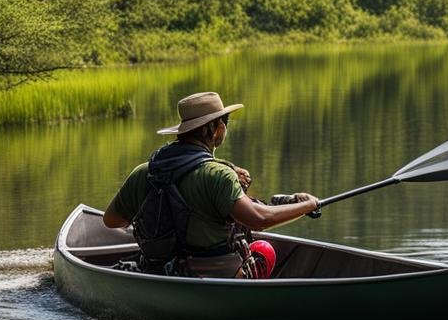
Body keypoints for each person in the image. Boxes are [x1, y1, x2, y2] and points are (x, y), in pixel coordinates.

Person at [102, 91, 319, 277]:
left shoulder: (144, 172)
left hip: (158, 273)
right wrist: (308, 205)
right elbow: (258, 219)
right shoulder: (220, 175)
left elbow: (112, 220)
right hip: (217, 277)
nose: (226, 127)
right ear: (215, 129)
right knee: (264, 250)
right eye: (225, 122)